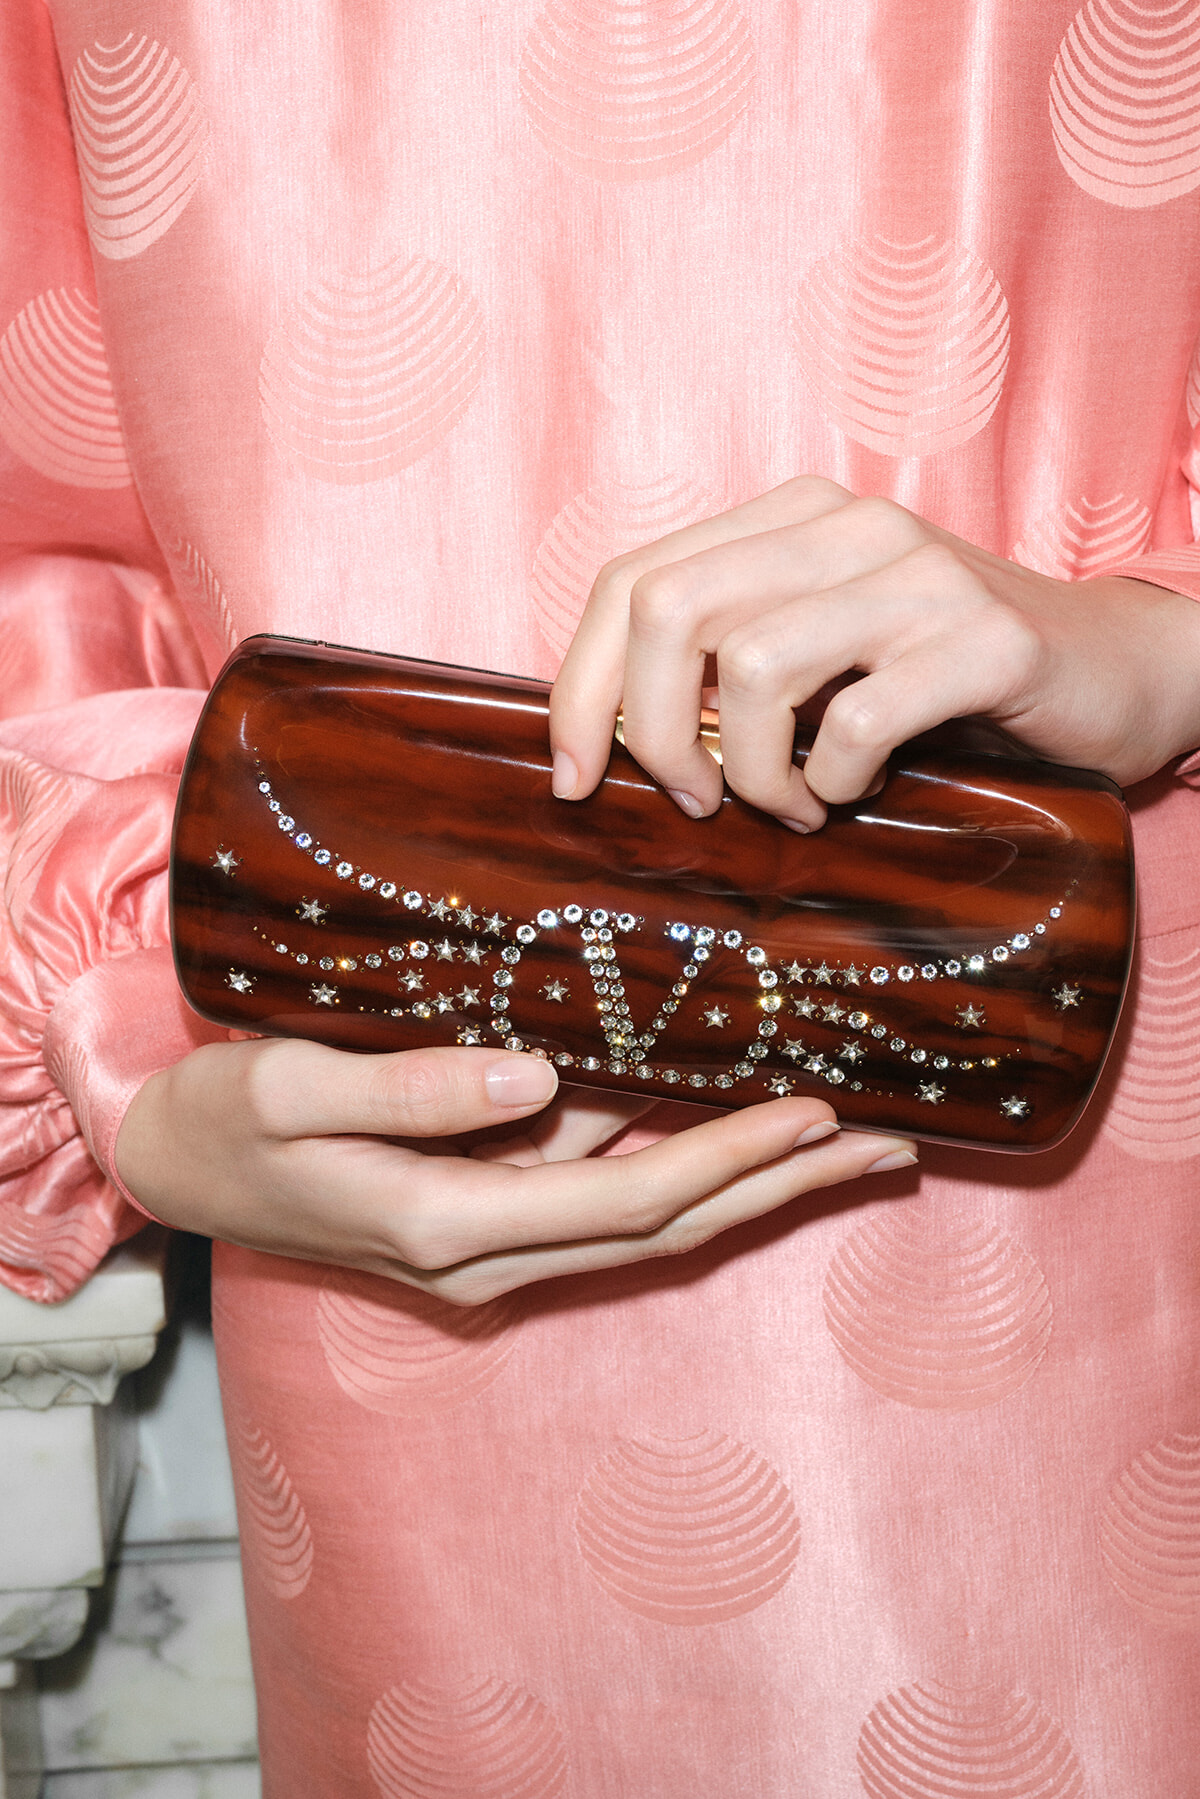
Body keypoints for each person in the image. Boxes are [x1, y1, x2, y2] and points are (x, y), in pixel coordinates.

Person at [4, 0, 1200, 1791]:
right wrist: (116, 1044)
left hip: (1114, 1183)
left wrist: (1162, 645)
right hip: (406, 1297)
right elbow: (42, 551)